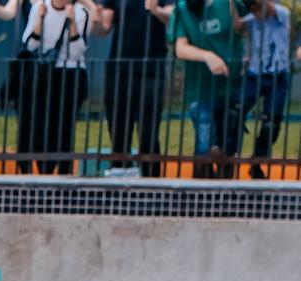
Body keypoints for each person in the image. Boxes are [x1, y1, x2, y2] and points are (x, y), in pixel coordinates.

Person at [93, 0, 172, 176]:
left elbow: (172, 16)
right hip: (119, 70)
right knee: (119, 132)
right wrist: (96, 20)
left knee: (148, 135)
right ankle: (121, 181)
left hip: (151, 70)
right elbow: (103, 29)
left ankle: (152, 186)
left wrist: (156, 10)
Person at [168, 0, 246, 178]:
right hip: (200, 88)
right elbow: (180, 48)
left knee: (229, 145)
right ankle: (200, 193)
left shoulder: (229, 3)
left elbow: (251, 20)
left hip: (231, 87)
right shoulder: (183, 8)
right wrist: (208, 56)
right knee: (205, 143)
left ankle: (227, 194)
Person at [21, 0, 96, 174]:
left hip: (71, 74)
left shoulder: (80, 12)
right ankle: (43, 169)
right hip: (45, 74)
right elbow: (30, 45)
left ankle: (64, 170)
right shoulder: (40, 6)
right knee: (41, 125)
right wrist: (39, 19)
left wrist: (72, 22)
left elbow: (78, 50)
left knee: (65, 126)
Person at [237, 0, 290, 180]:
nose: (256, 15)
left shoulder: (281, 14)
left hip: (278, 76)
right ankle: (229, 156)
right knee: (235, 111)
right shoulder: (251, 19)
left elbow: (270, 8)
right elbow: (236, 25)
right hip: (254, 74)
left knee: (272, 122)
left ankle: (257, 162)